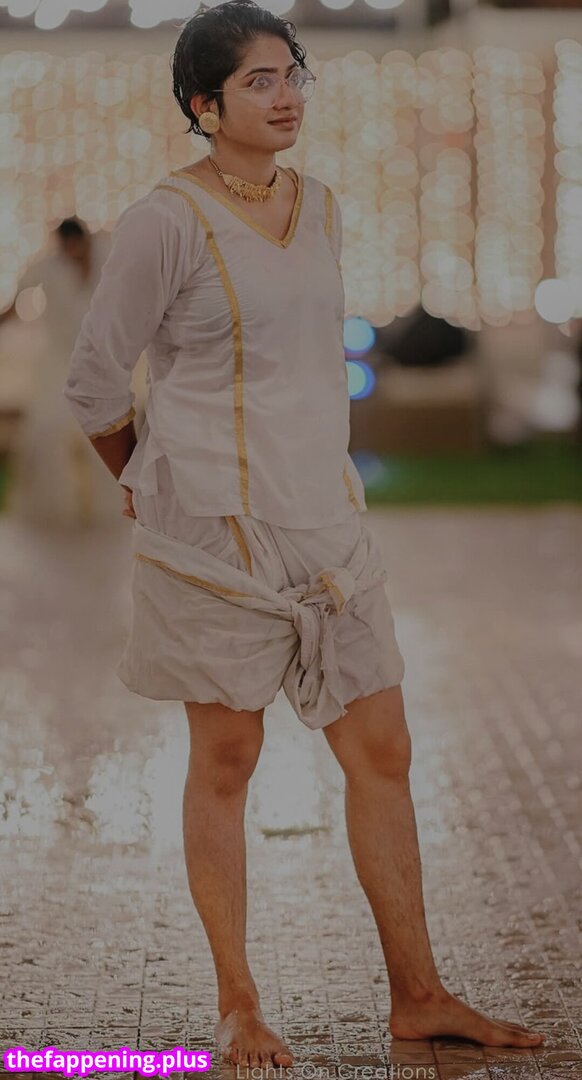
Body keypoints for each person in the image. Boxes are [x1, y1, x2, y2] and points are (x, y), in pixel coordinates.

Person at [62, 0, 546, 1066]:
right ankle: (238, 1004)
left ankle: (418, 994)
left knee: (384, 750)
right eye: (259, 81)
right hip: (214, 534)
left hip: (328, 524)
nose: (286, 97)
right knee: (228, 757)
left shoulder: (319, 205)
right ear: (204, 104)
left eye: (293, 75)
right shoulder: (164, 221)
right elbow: (94, 379)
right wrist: (144, 479)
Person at [0, 217, 121, 527]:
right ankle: (55, 507)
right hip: (58, 363)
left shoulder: (109, 255)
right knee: (49, 429)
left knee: (105, 428)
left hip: (98, 360)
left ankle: (108, 506)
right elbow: (14, 304)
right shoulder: (48, 266)